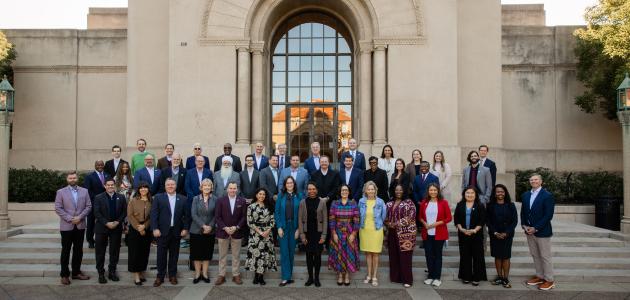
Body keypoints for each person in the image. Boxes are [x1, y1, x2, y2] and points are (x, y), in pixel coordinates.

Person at [151, 178, 190, 287]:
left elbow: (187, 216)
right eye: (168, 184)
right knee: (161, 255)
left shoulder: (183, 199)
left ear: (176, 186)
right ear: (165, 186)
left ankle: (172, 275)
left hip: (176, 231)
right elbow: (154, 214)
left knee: (174, 255)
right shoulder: (158, 198)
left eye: (172, 184)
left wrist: (185, 228)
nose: (170, 186)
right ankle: (160, 276)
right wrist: (155, 228)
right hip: (162, 232)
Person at [54, 171, 92, 285]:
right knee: (65, 250)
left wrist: (80, 217)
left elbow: (89, 206)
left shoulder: (84, 191)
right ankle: (64, 275)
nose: (72, 180)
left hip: (80, 225)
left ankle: (76, 272)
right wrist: (70, 218)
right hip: (67, 226)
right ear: (67, 179)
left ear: (77, 179)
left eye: (74, 178)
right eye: (70, 178)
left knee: (78, 250)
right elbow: (58, 208)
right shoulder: (60, 192)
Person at [521, 174, 555, 291]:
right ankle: (540, 276)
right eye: (531, 180)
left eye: (536, 179)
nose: (533, 181)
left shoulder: (547, 196)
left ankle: (549, 280)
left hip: (542, 231)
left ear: (541, 181)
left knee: (545, 256)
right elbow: (523, 212)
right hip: (529, 231)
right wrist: (524, 226)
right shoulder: (525, 195)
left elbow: (548, 215)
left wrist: (535, 228)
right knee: (535, 255)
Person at [93, 178, 127, 284]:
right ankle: (101, 273)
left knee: (114, 251)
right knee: (100, 252)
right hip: (101, 228)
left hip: (116, 228)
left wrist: (117, 222)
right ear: (105, 186)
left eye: (112, 185)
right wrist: (106, 223)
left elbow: (124, 212)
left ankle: (112, 272)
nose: (110, 187)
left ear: (115, 186)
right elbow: (96, 212)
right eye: (108, 185)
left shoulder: (121, 197)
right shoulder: (98, 197)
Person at [418, 183, 452, 287]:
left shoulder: (443, 203)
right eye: (431, 190)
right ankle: (430, 276)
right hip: (427, 233)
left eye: (435, 190)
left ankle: (437, 277)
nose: (433, 192)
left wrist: (436, 224)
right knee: (428, 255)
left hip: (439, 233)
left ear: (438, 191)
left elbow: (449, 218)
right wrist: (425, 224)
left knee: (437, 255)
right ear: (428, 191)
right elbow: (420, 217)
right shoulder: (424, 202)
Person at [214, 182, 248, 285]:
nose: (232, 190)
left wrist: (236, 227)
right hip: (223, 232)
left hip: (236, 232)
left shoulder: (242, 201)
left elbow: (244, 217)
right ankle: (221, 275)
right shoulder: (220, 200)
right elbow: (217, 217)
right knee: (222, 255)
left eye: (234, 188)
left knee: (236, 255)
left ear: (237, 189)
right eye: (231, 188)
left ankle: (236, 275)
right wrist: (225, 227)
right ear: (227, 189)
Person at [385, 184, 417, 288]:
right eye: (396, 190)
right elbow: (385, 216)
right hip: (392, 233)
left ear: (404, 191)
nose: (398, 192)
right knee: (393, 255)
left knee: (405, 257)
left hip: (406, 234)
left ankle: (407, 279)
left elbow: (411, 216)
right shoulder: (389, 203)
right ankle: (396, 277)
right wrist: (388, 223)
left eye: (400, 190)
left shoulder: (409, 202)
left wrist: (396, 223)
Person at [454, 186, 487, 286]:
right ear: (464, 194)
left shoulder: (480, 205)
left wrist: (474, 230)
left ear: (476, 194)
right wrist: (461, 229)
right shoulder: (460, 205)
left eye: (472, 193)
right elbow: (456, 219)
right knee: (465, 256)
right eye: (467, 193)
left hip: (476, 235)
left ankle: (477, 277)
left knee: (477, 256)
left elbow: (482, 220)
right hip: (463, 234)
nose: (469, 195)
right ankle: (466, 276)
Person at [328, 184, 360, 286]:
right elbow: (331, 219)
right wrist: (333, 233)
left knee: (348, 254)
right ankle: (340, 275)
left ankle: (347, 275)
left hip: (350, 232)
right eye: (342, 190)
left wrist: (354, 234)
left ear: (349, 192)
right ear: (340, 192)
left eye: (346, 190)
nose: (344, 192)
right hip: (337, 231)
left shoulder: (353, 203)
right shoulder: (335, 203)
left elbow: (357, 220)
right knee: (339, 253)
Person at [487, 184, 518, 288]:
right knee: (497, 256)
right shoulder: (490, 205)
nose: (500, 193)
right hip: (495, 235)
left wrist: (506, 232)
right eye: (498, 192)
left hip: (507, 235)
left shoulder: (511, 205)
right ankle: (499, 277)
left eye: (502, 191)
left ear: (505, 193)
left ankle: (505, 278)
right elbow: (488, 221)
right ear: (495, 194)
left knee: (506, 256)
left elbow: (514, 221)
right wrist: (495, 232)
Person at [245, 188, 277, 285]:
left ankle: (261, 277)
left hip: (267, 234)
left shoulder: (269, 206)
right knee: (256, 254)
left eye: (263, 194)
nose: (262, 196)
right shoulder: (251, 207)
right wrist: (259, 231)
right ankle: (256, 276)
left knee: (264, 255)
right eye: (260, 194)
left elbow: (273, 220)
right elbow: (249, 222)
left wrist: (267, 231)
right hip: (255, 234)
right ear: (256, 195)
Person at [298, 182, 328, 287]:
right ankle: (310, 278)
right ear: (307, 190)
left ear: (317, 190)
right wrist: (302, 235)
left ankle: (317, 278)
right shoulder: (302, 202)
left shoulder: (322, 202)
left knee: (318, 256)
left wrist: (324, 236)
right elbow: (300, 219)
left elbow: (325, 220)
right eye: (309, 189)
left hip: (318, 233)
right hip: (307, 233)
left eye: (313, 189)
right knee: (309, 256)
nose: (311, 191)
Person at [359, 181, 387, 287]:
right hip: (364, 230)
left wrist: (379, 225)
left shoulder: (380, 202)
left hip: (376, 230)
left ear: (375, 190)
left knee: (375, 254)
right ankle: (369, 275)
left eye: (372, 189)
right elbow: (359, 214)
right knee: (367, 254)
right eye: (368, 189)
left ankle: (375, 276)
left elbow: (383, 216)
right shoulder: (361, 201)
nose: (370, 191)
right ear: (365, 190)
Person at [275, 176, 302, 286]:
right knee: (284, 252)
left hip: (294, 227)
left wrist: (299, 229)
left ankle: (289, 276)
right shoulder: (281, 196)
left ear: (294, 184)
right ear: (285, 185)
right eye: (287, 183)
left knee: (291, 252)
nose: (289, 184)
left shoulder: (299, 196)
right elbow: (277, 212)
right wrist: (279, 227)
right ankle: (285, 277)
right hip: (284, 227)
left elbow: (301, 214)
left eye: (291, 183)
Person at [189, 179, 217, 284]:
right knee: (196, 254)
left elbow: (216, 215)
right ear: (201, 187)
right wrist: (203, 226)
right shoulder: (196, 199)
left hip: (210, 230)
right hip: (196, 230)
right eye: (204, 185)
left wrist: (210, 226)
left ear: (211, 188)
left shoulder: (215, 199)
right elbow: (193, 214)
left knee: (207, 253)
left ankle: (205, 274)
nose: (206, 187)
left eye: (209, 186)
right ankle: (197, 274)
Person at [127, 182, 152, 285]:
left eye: (145, 188)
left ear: (148, 189)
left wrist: (144, 226)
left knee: (144, 252)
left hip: (147, 229)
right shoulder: (133, 201)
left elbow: (152, 216)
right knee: (135, 253)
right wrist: (139, 228)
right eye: (141, 188)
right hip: (134, 229)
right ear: (138, 190)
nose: (143, 189)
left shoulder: (152, 201)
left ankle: (141, 272)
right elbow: (130, 215)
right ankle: (136, 275)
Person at [83, 160, 109, 248]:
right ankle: (90, 240)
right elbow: (87, 190)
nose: (100, 166)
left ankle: (104, 239)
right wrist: (98, 198)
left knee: (104, 221)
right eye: (98, 165)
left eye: (102, 165)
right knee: (90, 222)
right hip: (93, 203)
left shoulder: (108, 175)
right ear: (95, 165)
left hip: (106, 204)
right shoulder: (89, 176)